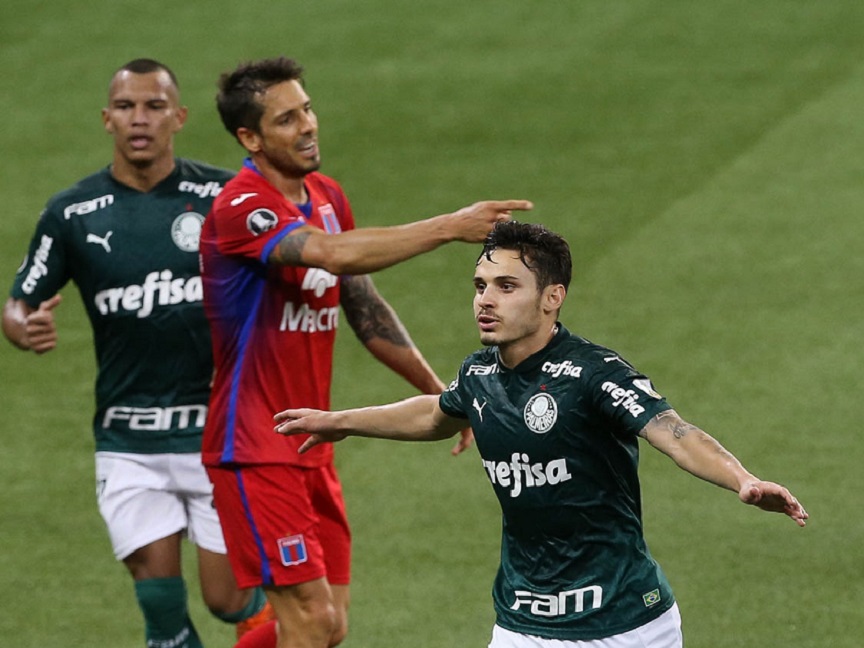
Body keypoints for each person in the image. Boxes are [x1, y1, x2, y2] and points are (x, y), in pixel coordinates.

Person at [273, 221, 808, 647]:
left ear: (552, 297)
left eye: (507, 287)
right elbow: (436, 414)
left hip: (624, 624)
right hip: (522, 622)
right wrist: (340, 420)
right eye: (481, 286)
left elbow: (673, 431)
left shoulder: (594, 373)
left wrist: (742, 479)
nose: (486, 300)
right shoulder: (480, 373)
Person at [199, 56, 532, 648]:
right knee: (311, 621)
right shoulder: (239, 207)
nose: (307, 126)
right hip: (256, 443)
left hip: (314, 436)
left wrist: (440, 393)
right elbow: (332, 255)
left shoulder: (325, 194)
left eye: (307, 108)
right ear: (249, 137)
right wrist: (449, 225)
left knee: (330, 628)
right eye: (286, 119)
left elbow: (362, 305)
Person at [2, 59, 273, 647]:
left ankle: (284, 618)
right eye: (126, 107)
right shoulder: (71, 214)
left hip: (217, 433)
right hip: (128, 438)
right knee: (159, 602)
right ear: (107, 120)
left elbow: (290, 263)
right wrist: (23, 327)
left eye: (154, 106)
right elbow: (20, 302)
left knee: (227, 599)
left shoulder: (225, 195)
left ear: (179, 117)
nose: (139, 119)